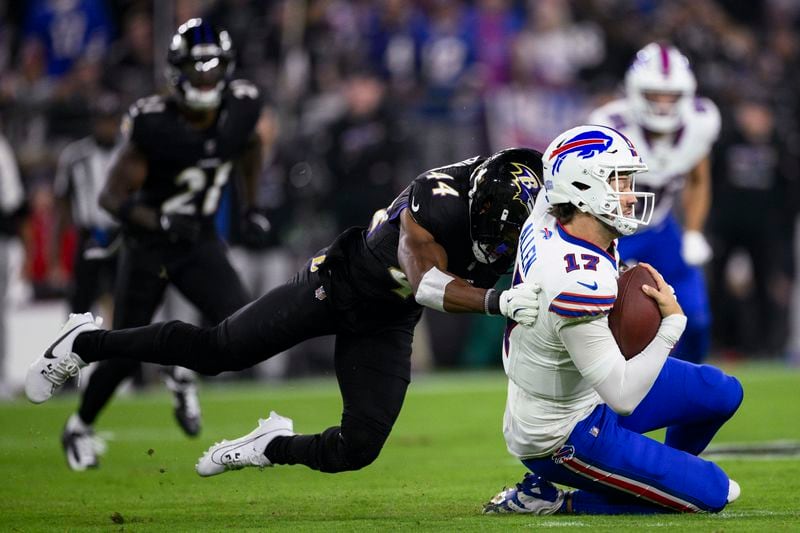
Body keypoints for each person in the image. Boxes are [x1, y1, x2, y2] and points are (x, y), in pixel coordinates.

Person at [26, 146, 545, 476]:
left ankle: (270, 446)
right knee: (217, 351)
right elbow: (428, 284)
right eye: (494, 234)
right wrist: (499, 300)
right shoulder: (438, 197)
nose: (499, 249)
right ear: (476, 203)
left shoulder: (528, 216)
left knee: (359, 448)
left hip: (387, 319)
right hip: (337, 283)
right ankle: (83, 342)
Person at [483, 125, 743, 516]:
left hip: (586, 387)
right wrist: (671, 325)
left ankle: (654, 479)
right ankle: (552, 500)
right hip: (561, 431)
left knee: (723, 392)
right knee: (715, 492)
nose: (629, 193)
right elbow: (622, 397)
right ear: (583, 189)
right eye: (619, 181)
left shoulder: (550, 216)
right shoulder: (577, 281)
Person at [55, 18, 268, 471]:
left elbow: (249, 147)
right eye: (197, 67)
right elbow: (110, 197)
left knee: (244, 330)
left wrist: (250, 206)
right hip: (150, 244)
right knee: (123, 354)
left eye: (213, 66)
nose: (206, 76)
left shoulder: (243, 108)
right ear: (177, 71)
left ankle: (180, 366)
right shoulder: (154, 123)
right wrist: (159, 217)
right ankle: (79, 426)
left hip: (200, 241)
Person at [587, 42, 720, 363]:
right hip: (613, 233)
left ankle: (684, 387)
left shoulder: (700, 122)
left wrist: (693, 231)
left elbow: (699, 179)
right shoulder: (610, 125)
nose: (662, 105)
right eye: (654, 95)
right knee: (599, 322)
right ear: (635, 91)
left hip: (661, 229)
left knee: (697, 319)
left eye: (670, 96)